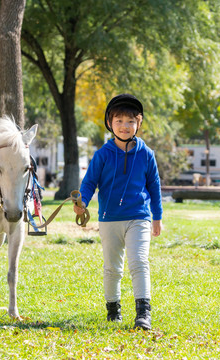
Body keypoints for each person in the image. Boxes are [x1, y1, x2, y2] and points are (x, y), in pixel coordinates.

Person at [73, 94, 162, 330]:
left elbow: (154, 186)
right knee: (112, 268)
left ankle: (144, 314)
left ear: (138, 124)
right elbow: (90, 183)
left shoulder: (146, 154)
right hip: (109, 218)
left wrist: (157, 217)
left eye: (130, 121)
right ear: (110, 123)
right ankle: (113, 311)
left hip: (139, 217)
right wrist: (81, 201)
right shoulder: (102, 154)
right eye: (119, 120)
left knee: (139, 261)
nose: (125, 126)